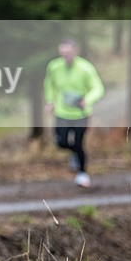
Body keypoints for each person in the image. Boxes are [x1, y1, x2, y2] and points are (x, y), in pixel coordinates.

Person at [43, 38, 105, 188]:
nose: (66, 55)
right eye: (63, 52)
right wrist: (50, 101)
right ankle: (75, 154)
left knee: (78, 143)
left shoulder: (86, 68)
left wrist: (87, 100)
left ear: (75, 51)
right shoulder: (54, 67)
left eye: (68, 52)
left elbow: (98, 88)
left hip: (80, 114)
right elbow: (49, 84)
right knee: (61, 142)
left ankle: (83, 174)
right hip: (62, 113)